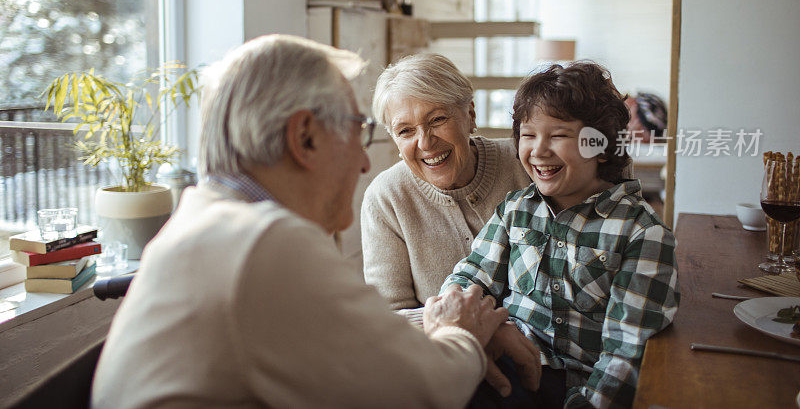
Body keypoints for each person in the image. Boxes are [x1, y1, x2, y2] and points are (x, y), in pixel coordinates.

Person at [90, 35, 511, 409]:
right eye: (357, 131)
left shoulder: (207, 219)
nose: (365, 161)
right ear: (305, 137)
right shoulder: (265, 242)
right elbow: (425, 390)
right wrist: (461, 331)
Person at [442, 61, 680, 408]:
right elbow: (472, 275)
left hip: (582, 389)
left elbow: (628, 355)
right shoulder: (515, 210)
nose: (539, 150)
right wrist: (453, 307)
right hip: (509, 365)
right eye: (528, 134)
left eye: (558, 135)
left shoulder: (643, 234)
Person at [361, 54, 531, 319]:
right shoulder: (386, 197)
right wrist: (469, 327)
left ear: (470, 115)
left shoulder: (527, 162)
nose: (425, 143)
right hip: (443, 354)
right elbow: (388, 317)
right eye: (406, 131)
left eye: (437, 120)